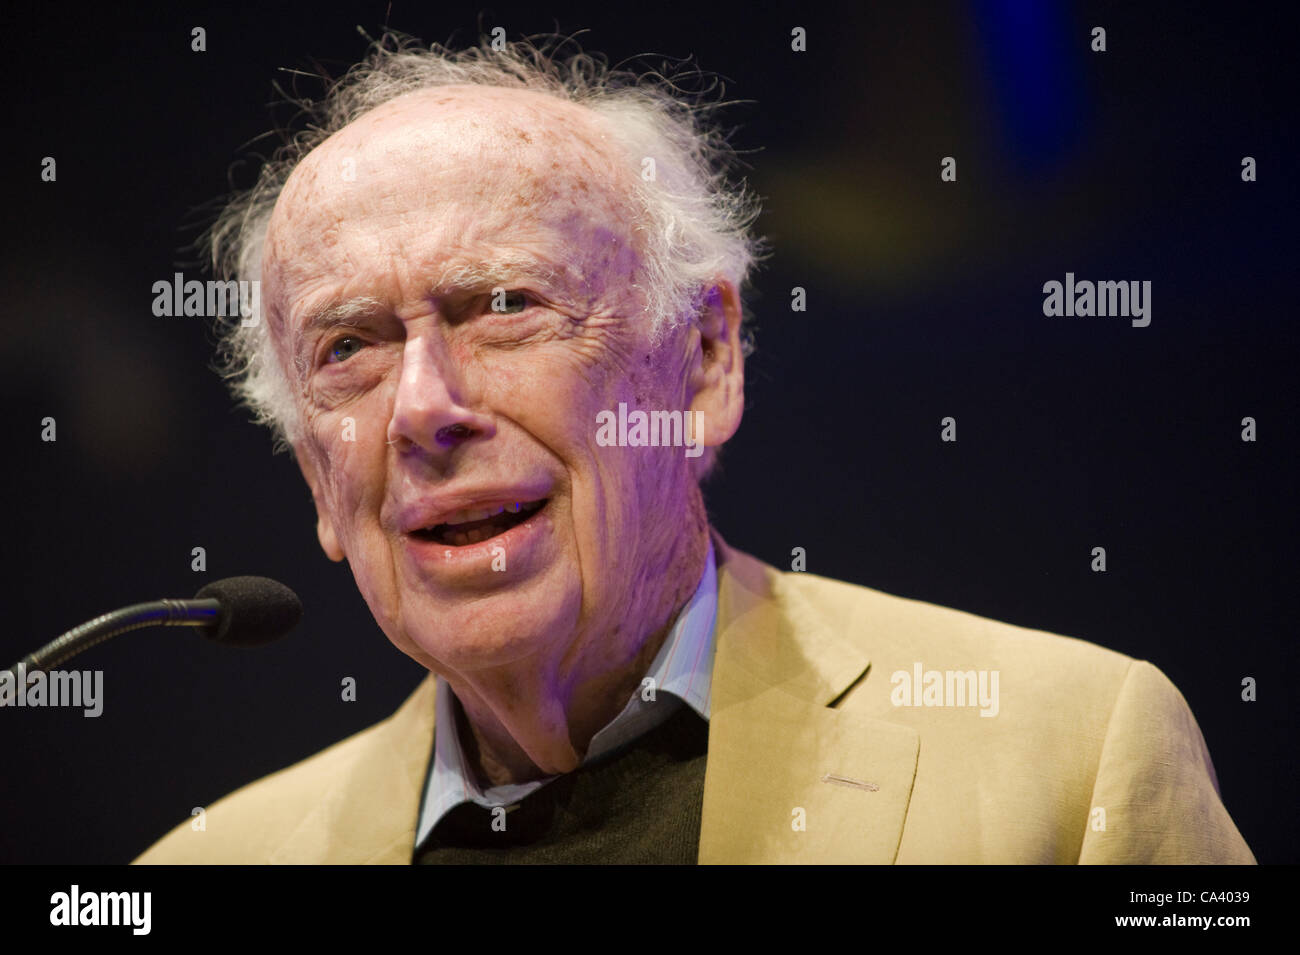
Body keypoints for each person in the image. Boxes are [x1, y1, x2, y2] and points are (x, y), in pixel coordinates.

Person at [134, 35, 1253, 864]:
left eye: (506, 305)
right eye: (348, 348)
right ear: (314, 478)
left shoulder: (1072, 759)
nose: (424, 408)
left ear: (706, 361)